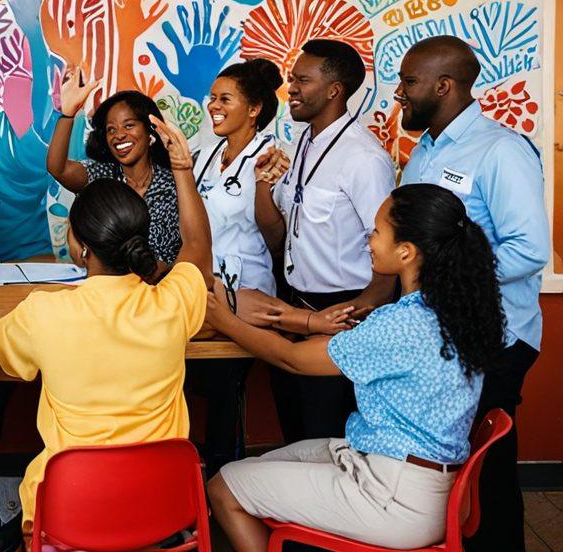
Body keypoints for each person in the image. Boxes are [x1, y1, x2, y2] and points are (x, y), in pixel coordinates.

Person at [206, 184, 507, 551]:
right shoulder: (457, 311)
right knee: (269, 462)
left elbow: (293, 360)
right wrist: (303, 319)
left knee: (223, 487)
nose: (369, 238)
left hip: (395, 497)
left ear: (406, 252)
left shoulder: (401, 325)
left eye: (377, 230)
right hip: (421, 481)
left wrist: (224, 319)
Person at [0, 117, 213, 551]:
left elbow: (1, 345)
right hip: (163, 507)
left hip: (70, 510)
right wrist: (182, 171)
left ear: (80, 246)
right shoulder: (172, 301)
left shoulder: (44, 312)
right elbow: (198, 250)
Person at [394, 35, 549, 552]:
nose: (399, 92)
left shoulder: (501, 150)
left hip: (497, 340)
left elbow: (529, 249)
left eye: (410, 81)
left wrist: (448, 280)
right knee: (451, 463)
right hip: (446, 338)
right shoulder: (423, 152)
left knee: (488, 468)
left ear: (445, 85)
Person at [251, 39, 396, 442]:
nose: (291, 89)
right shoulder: (303, 144)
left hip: (342, 313)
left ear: (334, 90)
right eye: (291, 79)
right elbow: (279, 230)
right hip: (295, 308)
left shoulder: (364, 159)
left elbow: (387, 256)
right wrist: (263, 184)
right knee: (296, 433)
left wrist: (352, 322)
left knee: (327, 439)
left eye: (302, 80)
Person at [183, 57, 282, 475]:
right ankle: (186, 473)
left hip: (248, 292)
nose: (213, 107)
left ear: (254, 108)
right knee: (183, 380)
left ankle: (223, 474)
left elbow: (277, 233)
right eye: (212, 99)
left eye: (225, 99)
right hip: (201, 289)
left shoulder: (273, 158)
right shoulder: (204, 154)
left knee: (224, 385)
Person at [48, 74, 181, 265]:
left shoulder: (174, 183)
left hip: (163, 286)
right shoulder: (100, 177)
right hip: (108, 288)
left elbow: (192, 245)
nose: (118, 135)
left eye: (129, 125)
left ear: (150, 131)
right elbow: (57, 169)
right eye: (111, 129)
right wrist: (68, 115)